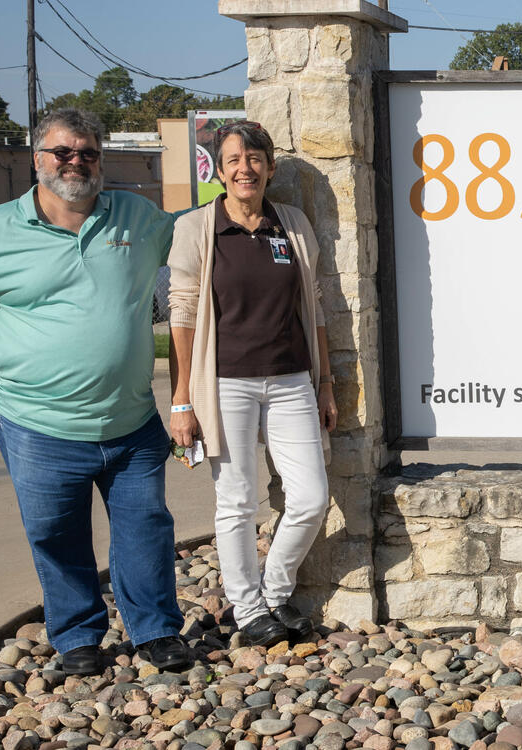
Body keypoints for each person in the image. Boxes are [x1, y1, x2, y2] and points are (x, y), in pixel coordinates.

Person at [0, 108, 190, 675]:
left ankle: (156, 631)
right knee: (56, 534)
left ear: (101, 160)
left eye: (87, 152)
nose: (76, 163)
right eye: (62, 152)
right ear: (36, 159)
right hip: (37, 422)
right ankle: (78, 638)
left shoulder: (137, 218)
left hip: (131, 420)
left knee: (146, 531)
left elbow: (195, 247)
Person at [166, 121, 335, 647]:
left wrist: (325, 381)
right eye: (234, 159)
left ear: (270, 167)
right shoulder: (197, 228)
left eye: (255, 158)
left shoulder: (293, 225)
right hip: (225, 384)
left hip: (291, 380)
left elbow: (317, 308)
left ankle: (274, 593)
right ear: (219, 170)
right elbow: (183, 313)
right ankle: (246, 608)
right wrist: (181, 401)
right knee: (236, 502)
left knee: (311, 496)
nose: (246, 168)